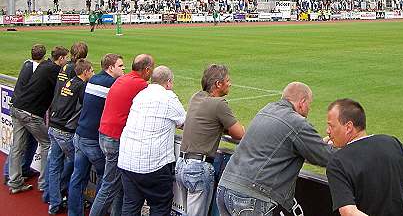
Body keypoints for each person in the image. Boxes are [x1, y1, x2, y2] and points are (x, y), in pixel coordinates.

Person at [217, 82, 334, 216]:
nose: (309, 109)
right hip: (251, 196)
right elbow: (324, 156)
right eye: (309, 104)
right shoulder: (297, 122)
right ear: (302, 102)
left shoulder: (266, 110)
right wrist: (351, 151)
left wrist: (320, 143)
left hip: (225, 187)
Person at [325, 99, 403, 216]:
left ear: (349, 127)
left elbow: (348, 212)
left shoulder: (337, 162)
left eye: (331, 126)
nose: (327, 131)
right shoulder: (392, 143)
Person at [89, 54, 154, 216]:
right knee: (109, 186)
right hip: (115, 138)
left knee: (118, 185)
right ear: (146, 70)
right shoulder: (140, 84)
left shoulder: (122, 79)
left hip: (104, 134)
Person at [176, 64, 245, 216]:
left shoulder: (196, 97)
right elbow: (240, 134)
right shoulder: (219, 104)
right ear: (218, 84)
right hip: (198, 168)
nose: (230, 83)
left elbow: (209, 120)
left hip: (182, 165)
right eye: (228, 80)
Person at [118, 66, 186, 216]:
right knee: (160, 204)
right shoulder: (168, 98)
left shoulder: (141, 95)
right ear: (168, 83)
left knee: (131, 204)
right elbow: (185, 121)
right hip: (151, 164)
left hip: (127, 160)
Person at [68, 54, 125, 216]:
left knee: (78, 177)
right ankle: (98, 211)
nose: (123, 69)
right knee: (108, 180)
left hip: (80, 135)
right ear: (110, 67)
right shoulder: (113, 84)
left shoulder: (93, 79)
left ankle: (75, 213)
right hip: (93, 139)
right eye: (120, 66)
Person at [8, 45, 66, 194]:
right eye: (65, 58)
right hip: (30, 113)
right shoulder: (54, 70)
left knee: (17, 147)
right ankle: (44, 183)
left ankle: (14, 182)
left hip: (17, 107)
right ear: (60, 58)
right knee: (48, 144)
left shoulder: (44, 65)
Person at [46, 59, 94, 214]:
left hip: (53, 125)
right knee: (77, 167)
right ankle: (67, 196)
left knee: (54, 165)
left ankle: (53, 201)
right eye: (91, 71)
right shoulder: (82, 86)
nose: (93, 73)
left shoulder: (70, 82)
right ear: (85, 71)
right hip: (65, 130)